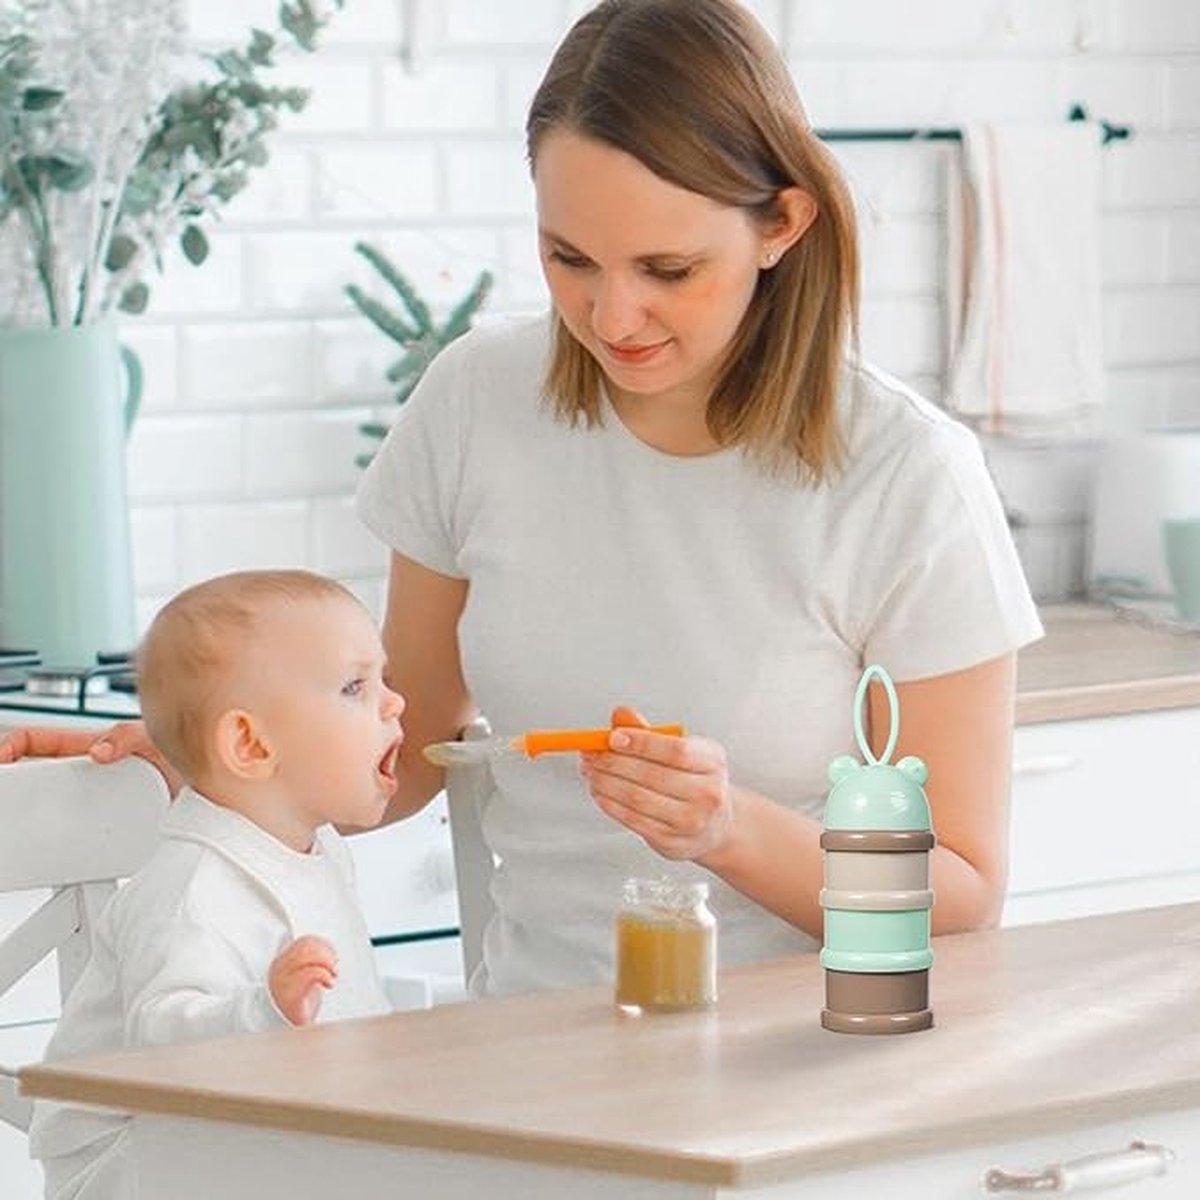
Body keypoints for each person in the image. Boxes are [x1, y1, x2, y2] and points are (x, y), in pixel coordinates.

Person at [1, 0, 1041, 1001]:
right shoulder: (477, 403)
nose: (611, 314)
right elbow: (395, 766)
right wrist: (213, 754)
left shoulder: (905, 477)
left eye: (669, 268)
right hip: (527, 1048)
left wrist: (729, 830)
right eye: (568, 258)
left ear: (781, 225)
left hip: (794, 1068)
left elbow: (961, 895)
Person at [28, 569, 404, 1200]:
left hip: (243, 1135)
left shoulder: (318, 849)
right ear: (251, 745)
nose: (394, 703)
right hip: (137, 1162)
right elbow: (165, 1037)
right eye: (355, 686)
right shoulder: (192, 886)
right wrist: (267, 1009)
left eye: (383, 679)